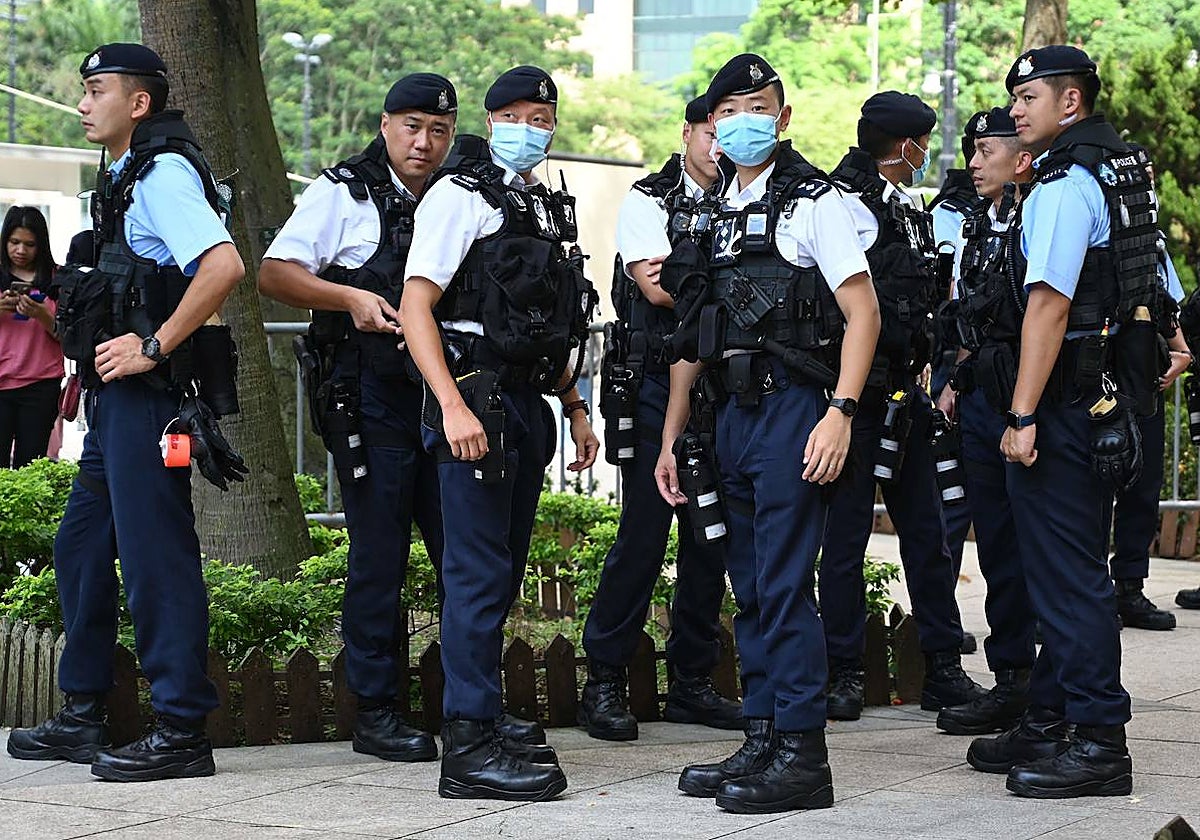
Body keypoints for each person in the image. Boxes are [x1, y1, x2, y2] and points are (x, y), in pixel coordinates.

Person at [5, 43, 245, 781]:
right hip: (113, 408)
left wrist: (153, 344)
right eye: (82, 89)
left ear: (139, 103)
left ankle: (180, 730)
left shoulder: (164, 172)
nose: (82, 102)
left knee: (155, 562)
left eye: (96, 89)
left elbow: (225, 265)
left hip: (148, 402)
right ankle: (84, 714)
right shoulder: (123, 172)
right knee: (81, 551)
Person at [654, 53, 880, 813]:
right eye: (729, 109)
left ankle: (803, 755)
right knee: (748, 586)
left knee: (784, 586)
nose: (744, 119)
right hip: (730, 415)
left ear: (783, 118)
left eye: (760, 106)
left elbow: (864, 313)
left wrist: (841, 413)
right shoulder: (714, 213)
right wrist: (671, 435)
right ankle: (764, 733)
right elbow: (695, 331)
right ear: (710, 126)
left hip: (794, 412)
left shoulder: (814, 202)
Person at [399, 65, 598, 802]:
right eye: (516, 115)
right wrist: (451, 406)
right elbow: (417, 306)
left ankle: (480, 715)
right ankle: (469, 743)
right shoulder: (459, 194)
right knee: (477, 576)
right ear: (491, 120)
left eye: (542, 117)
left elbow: (545, 326)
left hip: (526, 403)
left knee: (502, 571)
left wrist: (575, 406)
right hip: (475, 397)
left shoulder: (535, 204)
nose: (531, 128)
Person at [258, 73, 455, 762]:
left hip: (448, 397)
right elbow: (275, 273)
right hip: (370, 396)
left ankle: (469, 709)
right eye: (410, 127)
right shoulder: (345, 190)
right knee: (379, 555)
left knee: (464, 551)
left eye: (438, 130)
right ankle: (376, 711)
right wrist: (347, 297)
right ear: (384, 123)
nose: (423, 142)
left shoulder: (461, 193)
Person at [980, 44, 1152, 799]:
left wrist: (1021, 414)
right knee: (1068, 568)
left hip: (1064, 408)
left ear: (1070, 103)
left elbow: (1047, 305)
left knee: (1068, 576)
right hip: (1112, 402)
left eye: (1028, 99)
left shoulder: (1061, 184)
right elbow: (1157, 288)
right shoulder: (1122, 174)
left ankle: (1097, 740)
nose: (1016, 113)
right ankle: (1050, 717)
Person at [579, 95, 742, 742]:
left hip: (724, 389)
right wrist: (734, 295)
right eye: (711, 133)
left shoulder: (745, 199)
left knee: (712, 538)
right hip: (653, 382)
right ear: (688, 133)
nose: (721, 145)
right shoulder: (652, 197)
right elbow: (656, 286)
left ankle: (694, 683)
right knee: (645, 535)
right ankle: (604, 679)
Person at [820, 91, 985, 722]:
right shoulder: (843, 204)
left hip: (907, 393)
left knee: (928, 532)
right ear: (904, 146)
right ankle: (842, 672)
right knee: (846, 536)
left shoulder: (905, 206)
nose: (925, 154)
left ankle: (942, 665)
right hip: (857, 396)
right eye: (921, 143)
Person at [935, 106, 1038, 738]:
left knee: (1034, 551)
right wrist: (951, 379)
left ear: (1019, 157)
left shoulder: (1038, 216)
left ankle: (1046, 694)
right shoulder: (983, 224)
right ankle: (1011, 682)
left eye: (985, 151)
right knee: (996, 546)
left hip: (1020, 403)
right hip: (977, 398)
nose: (973, 162)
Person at [1098, 145, 1189, 632]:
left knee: (1144, 481)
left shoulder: (1149, 238)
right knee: (1091, 481)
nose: (1145, 184)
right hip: (1096, 365)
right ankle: (1089, 590)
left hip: (1142, 367)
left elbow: (1166, 299)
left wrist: (1181, 353)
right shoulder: (1096, 222)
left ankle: (1129, 586)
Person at [929, 116, 984, 622]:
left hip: (997, 365)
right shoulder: (954, 211)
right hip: (953, 360)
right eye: (978, 151)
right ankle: (943, 616)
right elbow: (952, 292)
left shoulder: (1023, 205)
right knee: (952, 499)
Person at [0, 205, 64, 467]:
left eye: (30, 244)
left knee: (32, 465)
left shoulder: (57, 280)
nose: (21, 251)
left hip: (40, 385)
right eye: (14, 242)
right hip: (1, 384)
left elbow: (69, 336)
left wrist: (41, 315)